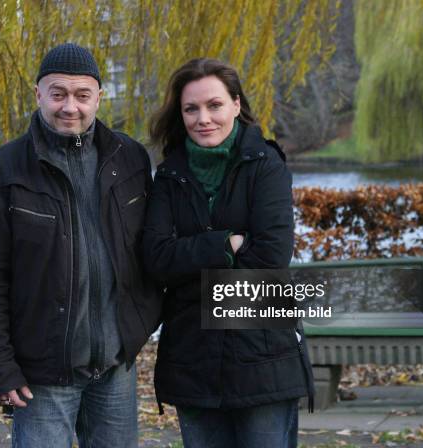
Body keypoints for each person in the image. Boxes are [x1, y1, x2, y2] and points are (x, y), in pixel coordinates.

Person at [0, 43, 161, 448]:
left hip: (115, 370)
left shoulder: (131, 159)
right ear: (38, 94)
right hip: (42, 375)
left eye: (82, 95)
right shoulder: (0, 171)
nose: (69, 107)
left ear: (99, 98)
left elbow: (149, 250)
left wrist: (140, 324)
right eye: (58, 94)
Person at [142, 58, 315, 448]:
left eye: (214, 105)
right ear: (180, 113)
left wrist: (192, 272)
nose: (203, 118)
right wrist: (227, 244)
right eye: (191, 108)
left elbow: (272, 256)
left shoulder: (265, 164)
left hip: (264, 356)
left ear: (236, 105)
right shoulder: (170, 175)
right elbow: (155, 258)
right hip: (193, 358)